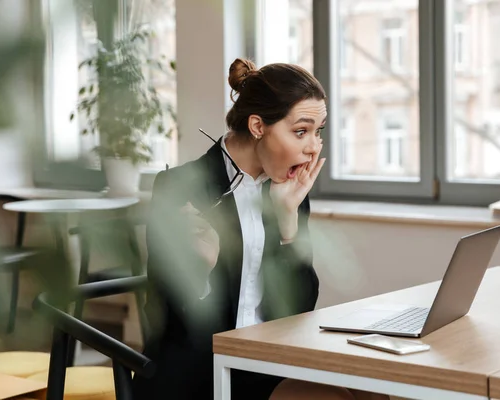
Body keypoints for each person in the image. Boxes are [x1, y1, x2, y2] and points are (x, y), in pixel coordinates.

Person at [132, 58, 389, 400]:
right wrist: (200, 272)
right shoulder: (181, 187)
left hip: (264, 364)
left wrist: (288, 226)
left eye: (318, 131)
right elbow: (165, 317)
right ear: (257, 126)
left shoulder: (289, 189)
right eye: (301, 131)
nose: (313, 147)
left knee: (375, 388)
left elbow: (299, 309)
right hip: (200, 373)